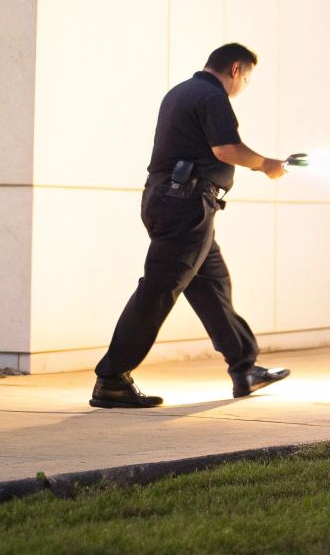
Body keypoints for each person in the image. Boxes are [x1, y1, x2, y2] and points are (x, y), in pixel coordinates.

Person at [90, 43, 292, 409]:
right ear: (235, 69)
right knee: (158, 289)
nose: (244, 84)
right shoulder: (212, 97)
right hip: (186, 205)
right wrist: (267, 164)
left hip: (174, 201)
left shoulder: (181, 92)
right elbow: (226, 149)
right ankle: (112, 378)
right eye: (246, 77)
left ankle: (244, 368)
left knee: (212, 285)